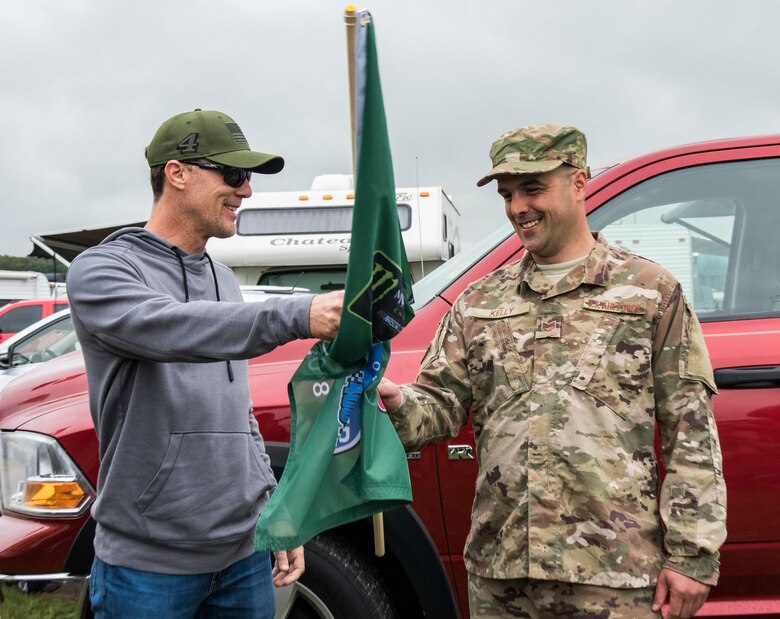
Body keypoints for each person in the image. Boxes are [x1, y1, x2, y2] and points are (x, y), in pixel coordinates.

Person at [378, 124, 726, 619]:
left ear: (579, 182)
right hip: (503, 577)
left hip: (614, 576)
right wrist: (397, 403)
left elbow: (690, 432)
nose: (518, 207)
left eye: (533, 189)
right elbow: (438, 406)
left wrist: (693, 554)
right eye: (508, 194)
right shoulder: (479, 302)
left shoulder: (649, 292)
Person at [67, 108, 343, 618]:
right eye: (234, 175)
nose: (247, 191)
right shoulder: (102, 270)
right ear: (177, 173)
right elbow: (172, 326)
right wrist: (299, 314)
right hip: (146, 569)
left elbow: (235, 415)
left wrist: (274, 511)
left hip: (244, 558)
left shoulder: (223, 277)